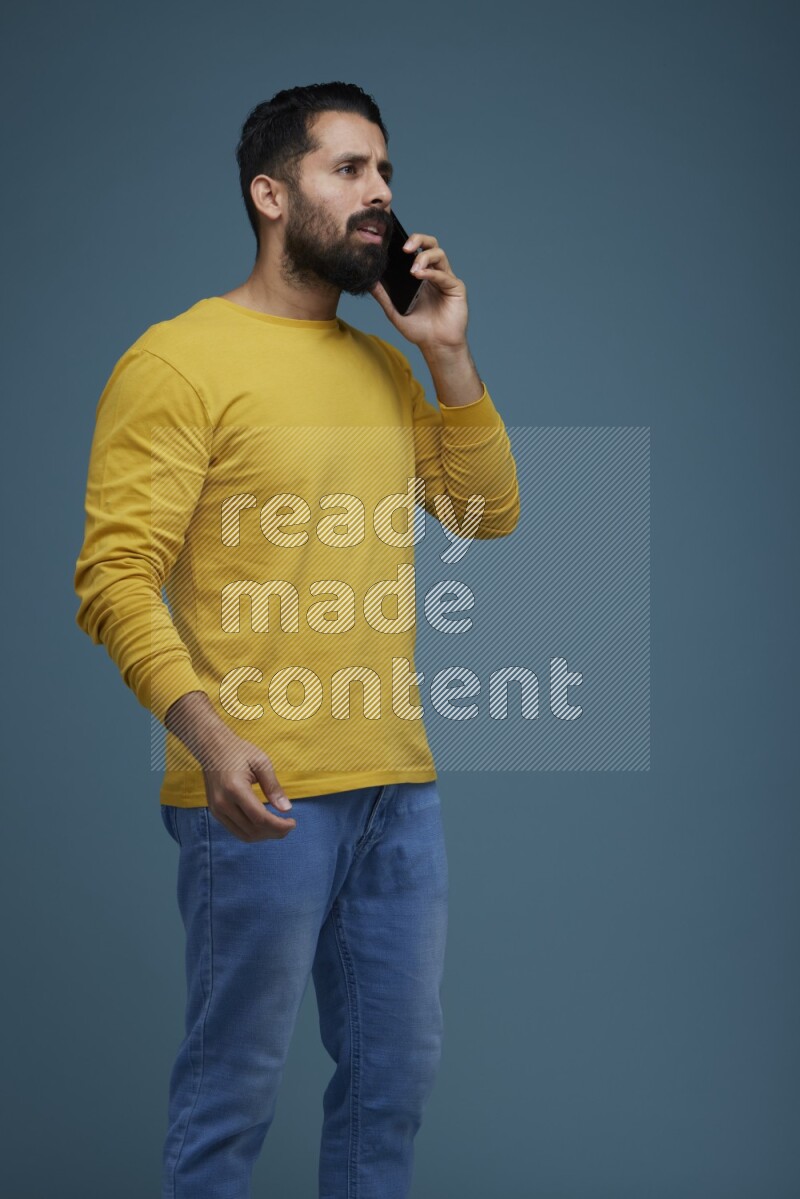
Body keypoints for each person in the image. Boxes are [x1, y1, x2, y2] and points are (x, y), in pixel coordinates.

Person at [73, 81, 520, 1199]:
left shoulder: (380, 366)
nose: (379, 196)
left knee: (391, 1086)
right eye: (346, 170)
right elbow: (112, 577)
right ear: (271, 194)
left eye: (381, 169)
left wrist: (446, 356)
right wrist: (207, 735)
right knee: (233, 1088)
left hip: (394, 789)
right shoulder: (177, 361)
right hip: (257, 791)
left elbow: (483, 514)